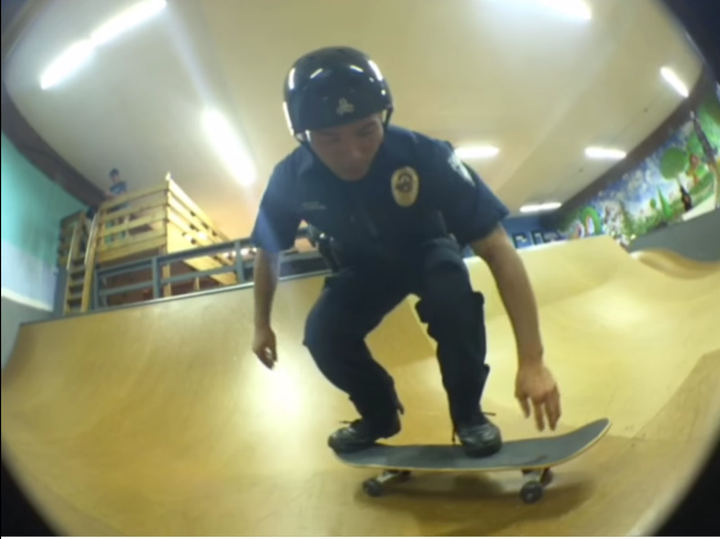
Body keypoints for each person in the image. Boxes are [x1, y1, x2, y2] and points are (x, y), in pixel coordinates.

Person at [251, 46, 561, 458]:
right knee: (323, 335)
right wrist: (261, 325)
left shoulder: (426, 155)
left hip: (425, 249)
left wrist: (533, 360)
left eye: (366, 131)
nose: (353, 153)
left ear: (384, 115)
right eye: (329, 139)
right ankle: (379, 414)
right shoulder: (289, 180)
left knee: (455, 305)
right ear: (304, 135)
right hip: (361, 268)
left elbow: (499, 248)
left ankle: (469, 415)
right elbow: (267, 252)